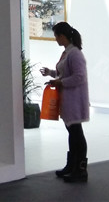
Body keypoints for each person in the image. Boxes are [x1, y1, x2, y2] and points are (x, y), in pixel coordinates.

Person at [39, 21, 90, 183]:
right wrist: (51, 73)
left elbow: (79, 77)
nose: (55, 39)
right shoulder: (68, 53)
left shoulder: (75, 54)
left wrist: (60, 82)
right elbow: (64, 73)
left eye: (56, 36)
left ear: (62, 36)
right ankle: (72, 165)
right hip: (68, 100)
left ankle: (80, 169)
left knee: (76, 134)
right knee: (73, 133)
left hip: (74, 100)